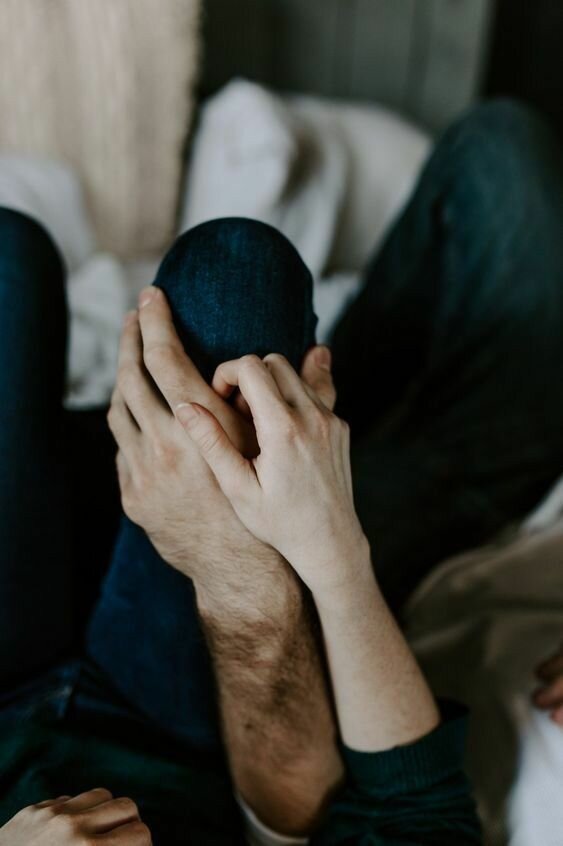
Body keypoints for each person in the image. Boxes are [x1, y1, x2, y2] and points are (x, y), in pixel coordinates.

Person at [1, 96, 562, 843]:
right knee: (246, 272)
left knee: (9, 260)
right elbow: (410, 814)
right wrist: (305, 549)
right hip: (209, 695)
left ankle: (282, 425)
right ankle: (301, 422)